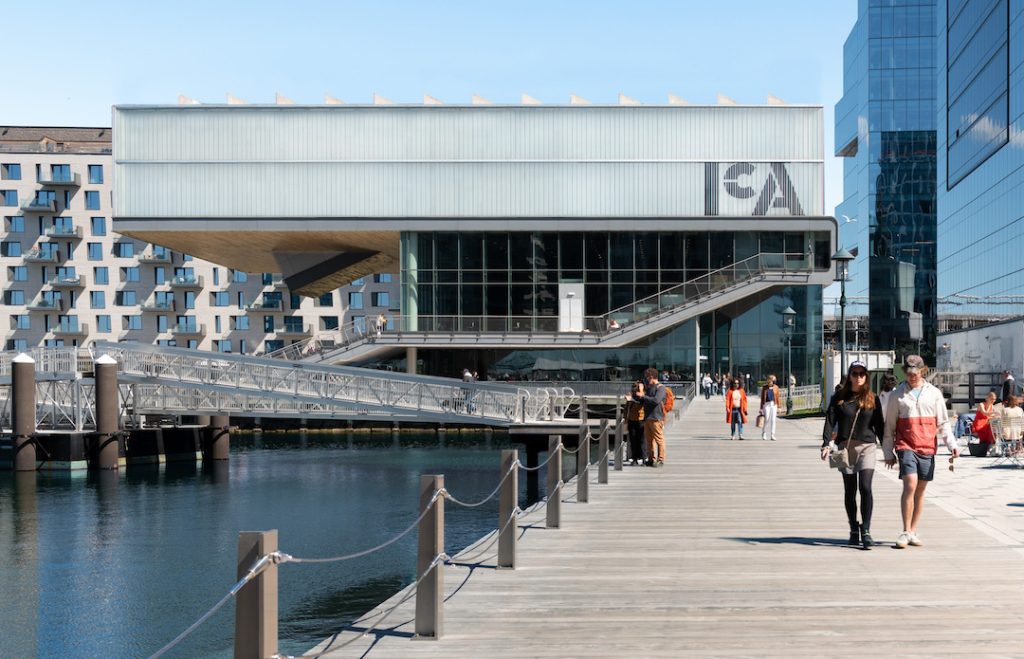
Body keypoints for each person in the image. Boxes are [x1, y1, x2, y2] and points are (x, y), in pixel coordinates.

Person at [883, 354, 960, 549]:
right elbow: (889, 427)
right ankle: (905, 530)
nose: (912, 377)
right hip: (905, 445)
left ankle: (913, 530)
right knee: (910, 483)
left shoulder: (933, 393)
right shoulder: (896, 395)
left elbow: (943, 422)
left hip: (927, 446)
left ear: (922, 371)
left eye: (915, 373)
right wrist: (888, 452)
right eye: (908, 373)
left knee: (920, 490)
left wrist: (952, 445)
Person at [820, 361, 885, 549]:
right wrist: (826, 444)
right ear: (849, 376)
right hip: (844, 448)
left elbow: (879, 426)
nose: (858, 377)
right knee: (850, 490)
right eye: (855, 373)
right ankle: (853, 528)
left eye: (862, 374)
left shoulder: (873, 398)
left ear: (866, 377)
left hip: (867, 446)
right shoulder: (839, 398)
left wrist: (889, 451)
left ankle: (866, 529)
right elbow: (830, 421)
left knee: (865, 487)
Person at [632, 368, 668, 467]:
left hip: (656, 417)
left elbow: (656, 400)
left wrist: (643, 396)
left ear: (651, 377)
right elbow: (643, 400)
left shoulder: (660, 388)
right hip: (648, 417)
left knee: (659, 439)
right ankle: (651, 459)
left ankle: (661, 459)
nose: (646, 379)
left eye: (647, 377)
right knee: (649, 440)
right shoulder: (649, 388)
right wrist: (638, 395)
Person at [624, 382, 646, 465]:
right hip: (631, 420)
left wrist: (639, 392)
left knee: (642, 440)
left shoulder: (643, 395)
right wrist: (625, 419)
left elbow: (640, 403)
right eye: (633, 389)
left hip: (641, 420)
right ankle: (634, 458)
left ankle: (643, 458)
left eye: (635, 389)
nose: (634, 391)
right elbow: (627, 408)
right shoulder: (631, 396)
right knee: (633, 440)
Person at [759, 375, 780, 441]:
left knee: (773, 420)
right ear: (769, 380)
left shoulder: (776, 387)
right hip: (766, 404)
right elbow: (762, 398)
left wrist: (779, 406)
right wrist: (761, 408)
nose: (773, 382)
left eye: (774, 380)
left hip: (773, 404)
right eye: (772, 380)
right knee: (767, 419)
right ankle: (764, 432)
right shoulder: (764, 388)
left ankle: (772, 434)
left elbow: (778, 397)